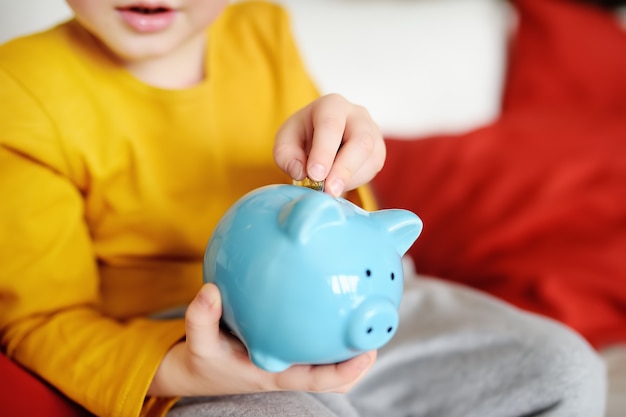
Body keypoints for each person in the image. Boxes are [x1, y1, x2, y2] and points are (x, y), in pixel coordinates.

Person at [0, 1, 606, 416]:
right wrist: (185, 372)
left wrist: (345, 159)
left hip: (354, 306)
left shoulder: (258, 26)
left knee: (560, 367)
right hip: (189, 341)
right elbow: (41, 321)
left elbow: (329, 202)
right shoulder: (21, 88)